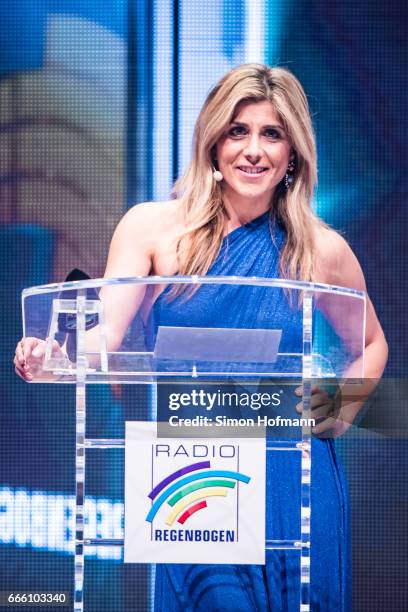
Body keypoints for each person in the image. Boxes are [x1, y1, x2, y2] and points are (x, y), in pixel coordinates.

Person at [14, 64, 388, 610]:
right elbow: (109, 335)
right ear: (212, 143)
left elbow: (371, 343)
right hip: (192, 471)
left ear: (292, 154)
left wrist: (337, 412)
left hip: (292, 475)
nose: (254, 150)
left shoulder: (320, 250)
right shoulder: (151, 228)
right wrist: (57, 353)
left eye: (272, 133)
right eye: (238, 131)